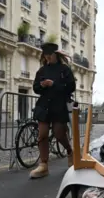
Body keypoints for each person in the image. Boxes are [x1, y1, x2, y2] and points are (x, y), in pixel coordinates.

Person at [30, 43, 76, 179]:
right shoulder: (42, 71)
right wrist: (42, 85)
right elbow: (35, 87)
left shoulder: (65, 70)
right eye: (46, 55)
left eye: (50, 55)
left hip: (59, 105)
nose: (48, 57)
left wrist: (54, 84)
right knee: (42, 135)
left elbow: (71, 87)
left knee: (59, 134)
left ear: (56, 55)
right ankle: (43, 165)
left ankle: (69, 151)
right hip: (44, 105)